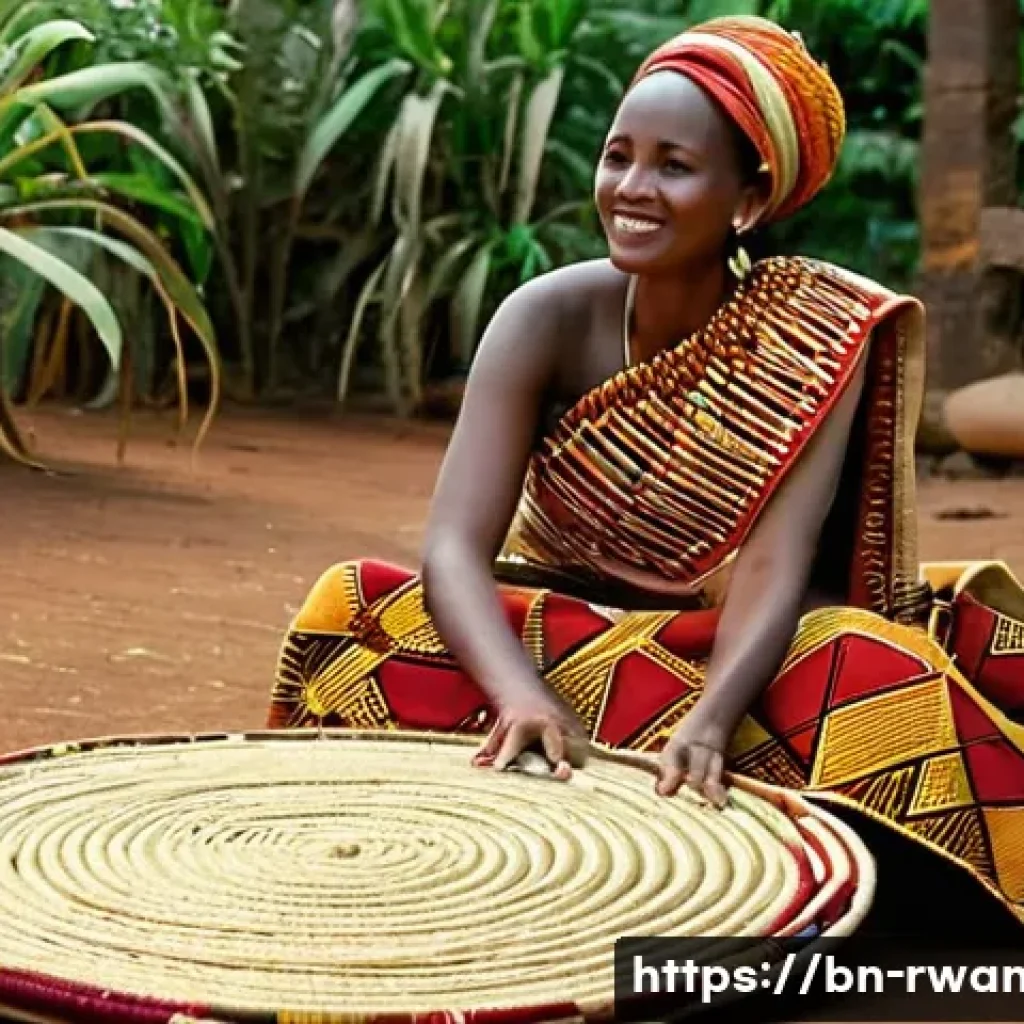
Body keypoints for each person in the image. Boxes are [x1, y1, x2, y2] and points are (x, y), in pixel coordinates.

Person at [270, 15, 1024, 926]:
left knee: (873, 674)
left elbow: (774, 567)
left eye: (674, 165)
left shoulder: (820, 338)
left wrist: (710, 719)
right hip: (566, 629)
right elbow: (453, 550)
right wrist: (519, 696)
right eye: (618, 156)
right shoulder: (542, 317)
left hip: (725, 650)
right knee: (351, 607)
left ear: (748, 201)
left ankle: (857, 902)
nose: (632, 188)